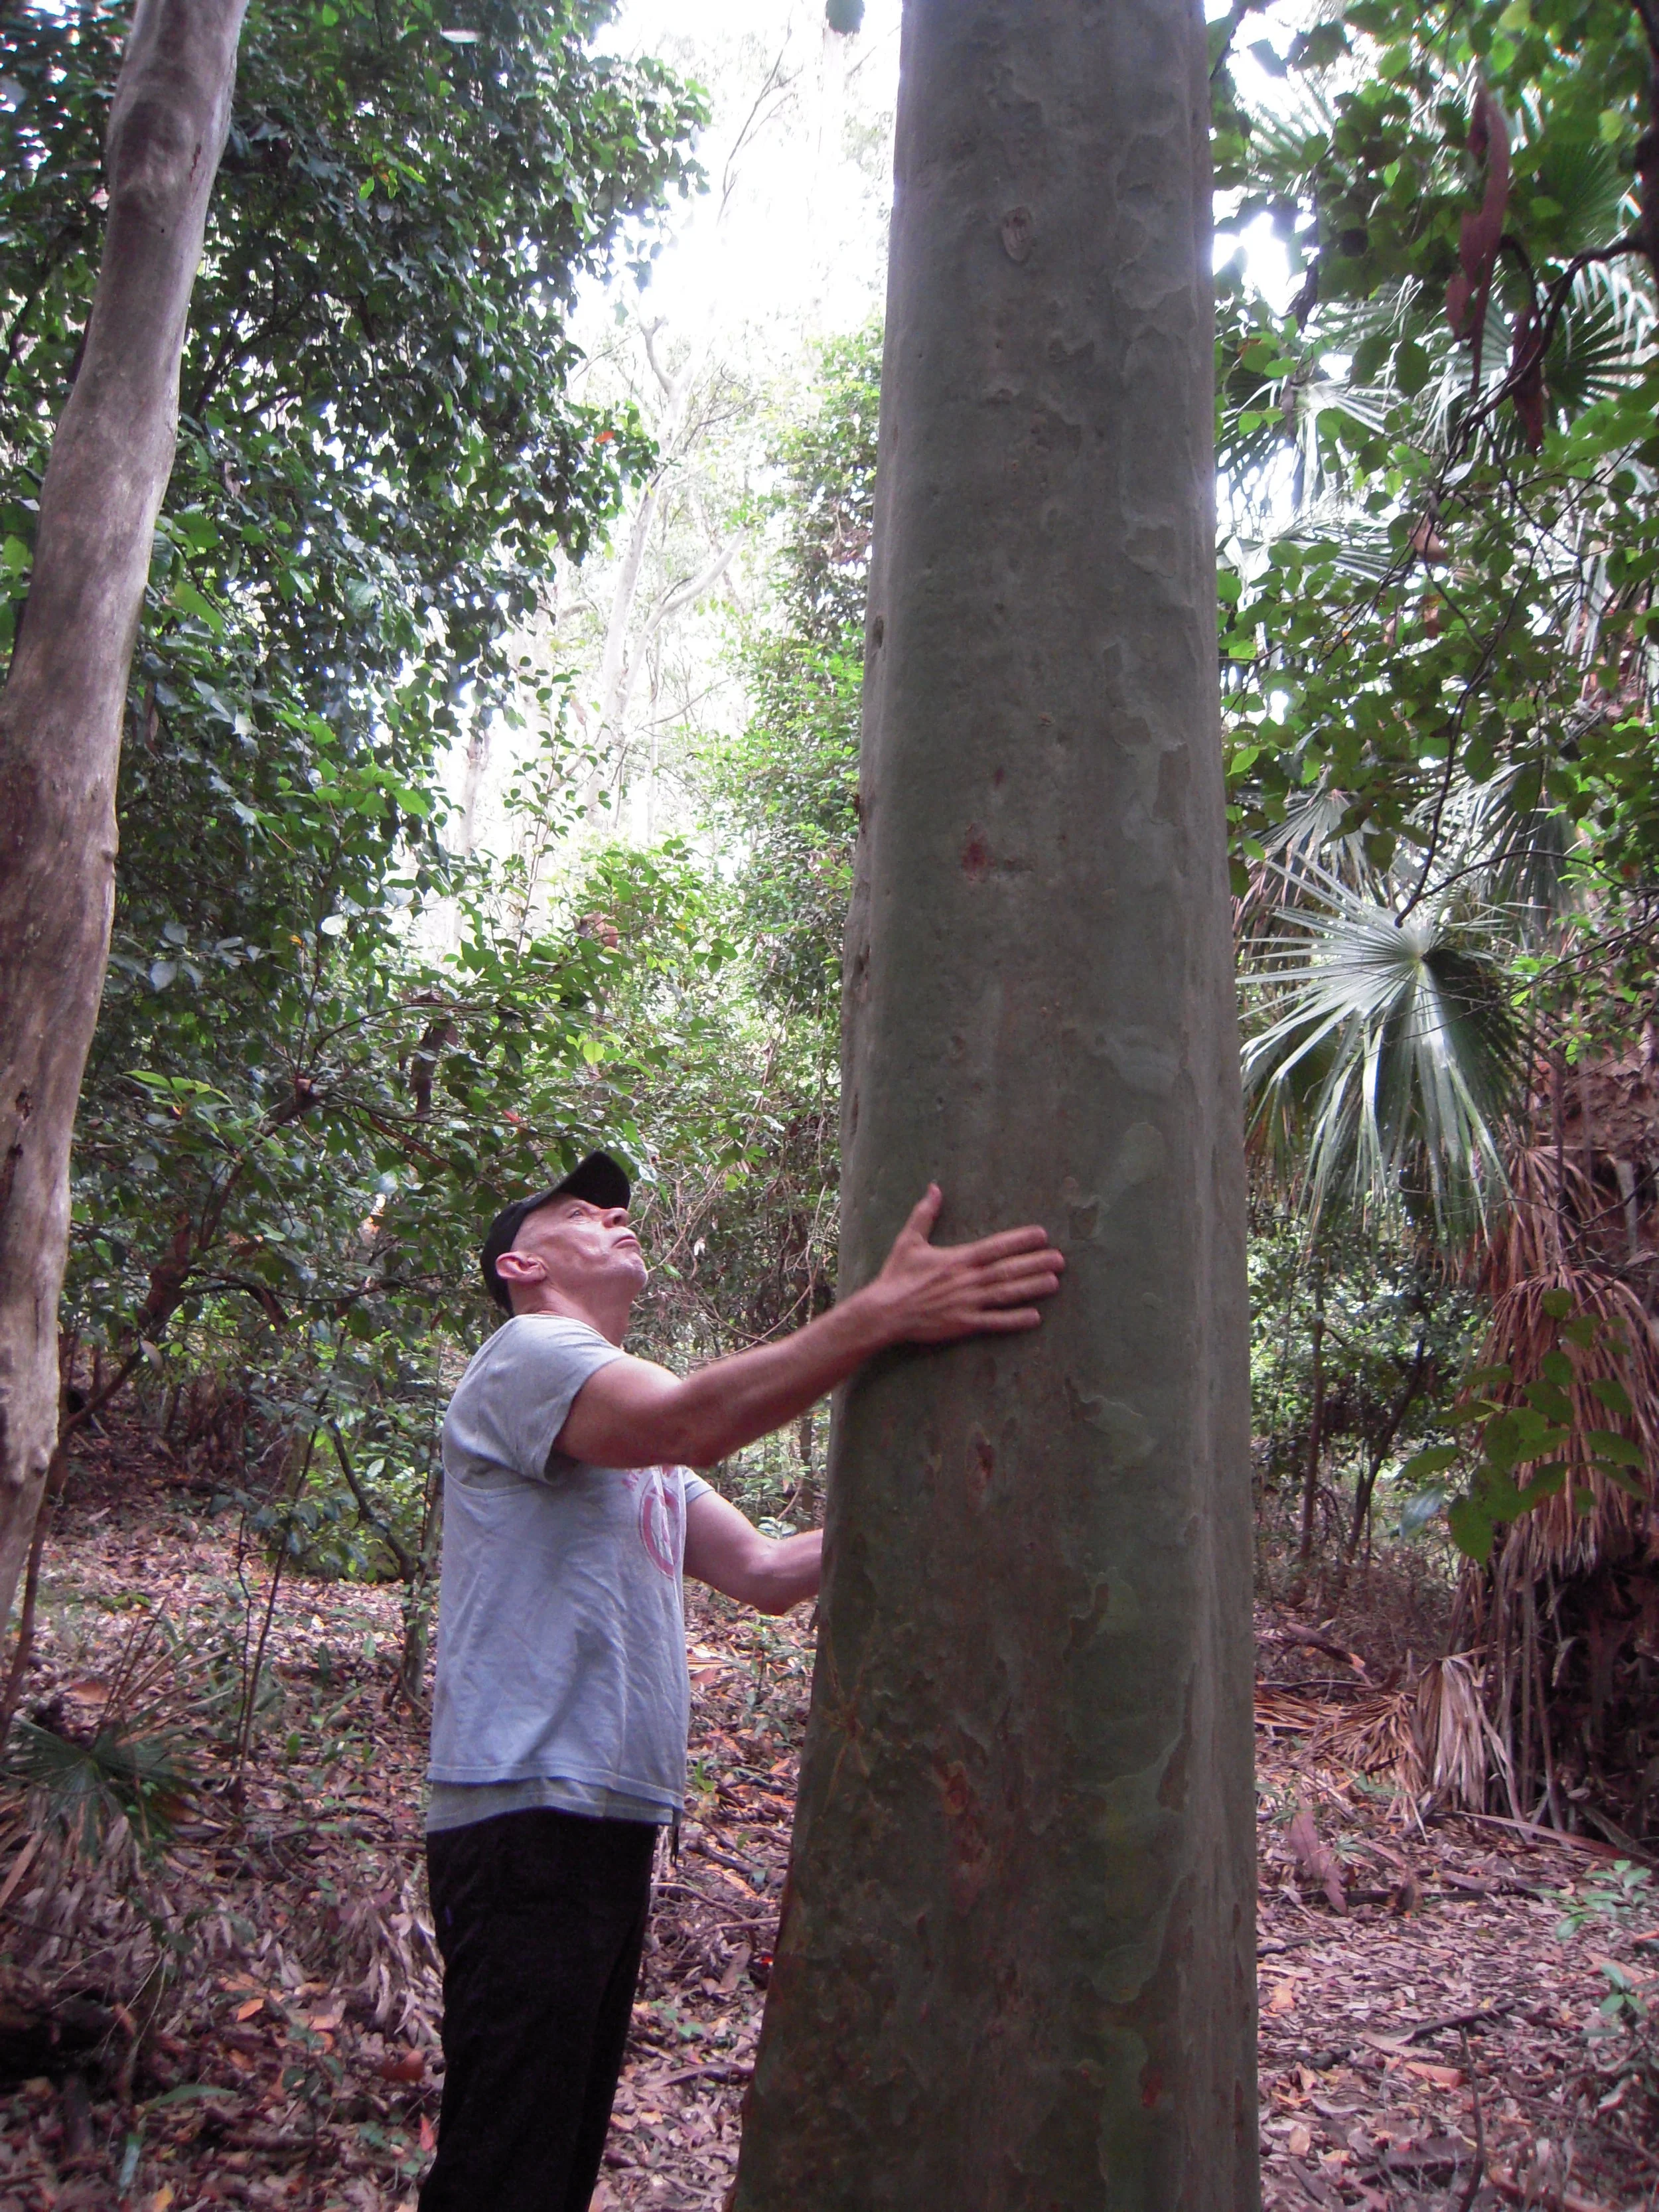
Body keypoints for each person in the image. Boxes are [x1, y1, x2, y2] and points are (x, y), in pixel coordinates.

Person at [419, 1148, 1064, 2212]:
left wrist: (952, 1501)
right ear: (520, 1268)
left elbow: (764, 1572)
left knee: (550, 2155)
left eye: (615, 1209)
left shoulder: (630, 1441)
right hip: (525, 1811)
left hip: (599, 1818)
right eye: (579, 1213)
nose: (613, 1217)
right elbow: (691, 1418)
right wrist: (885, 1312)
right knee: (507, 2164)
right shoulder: (528, 1354)